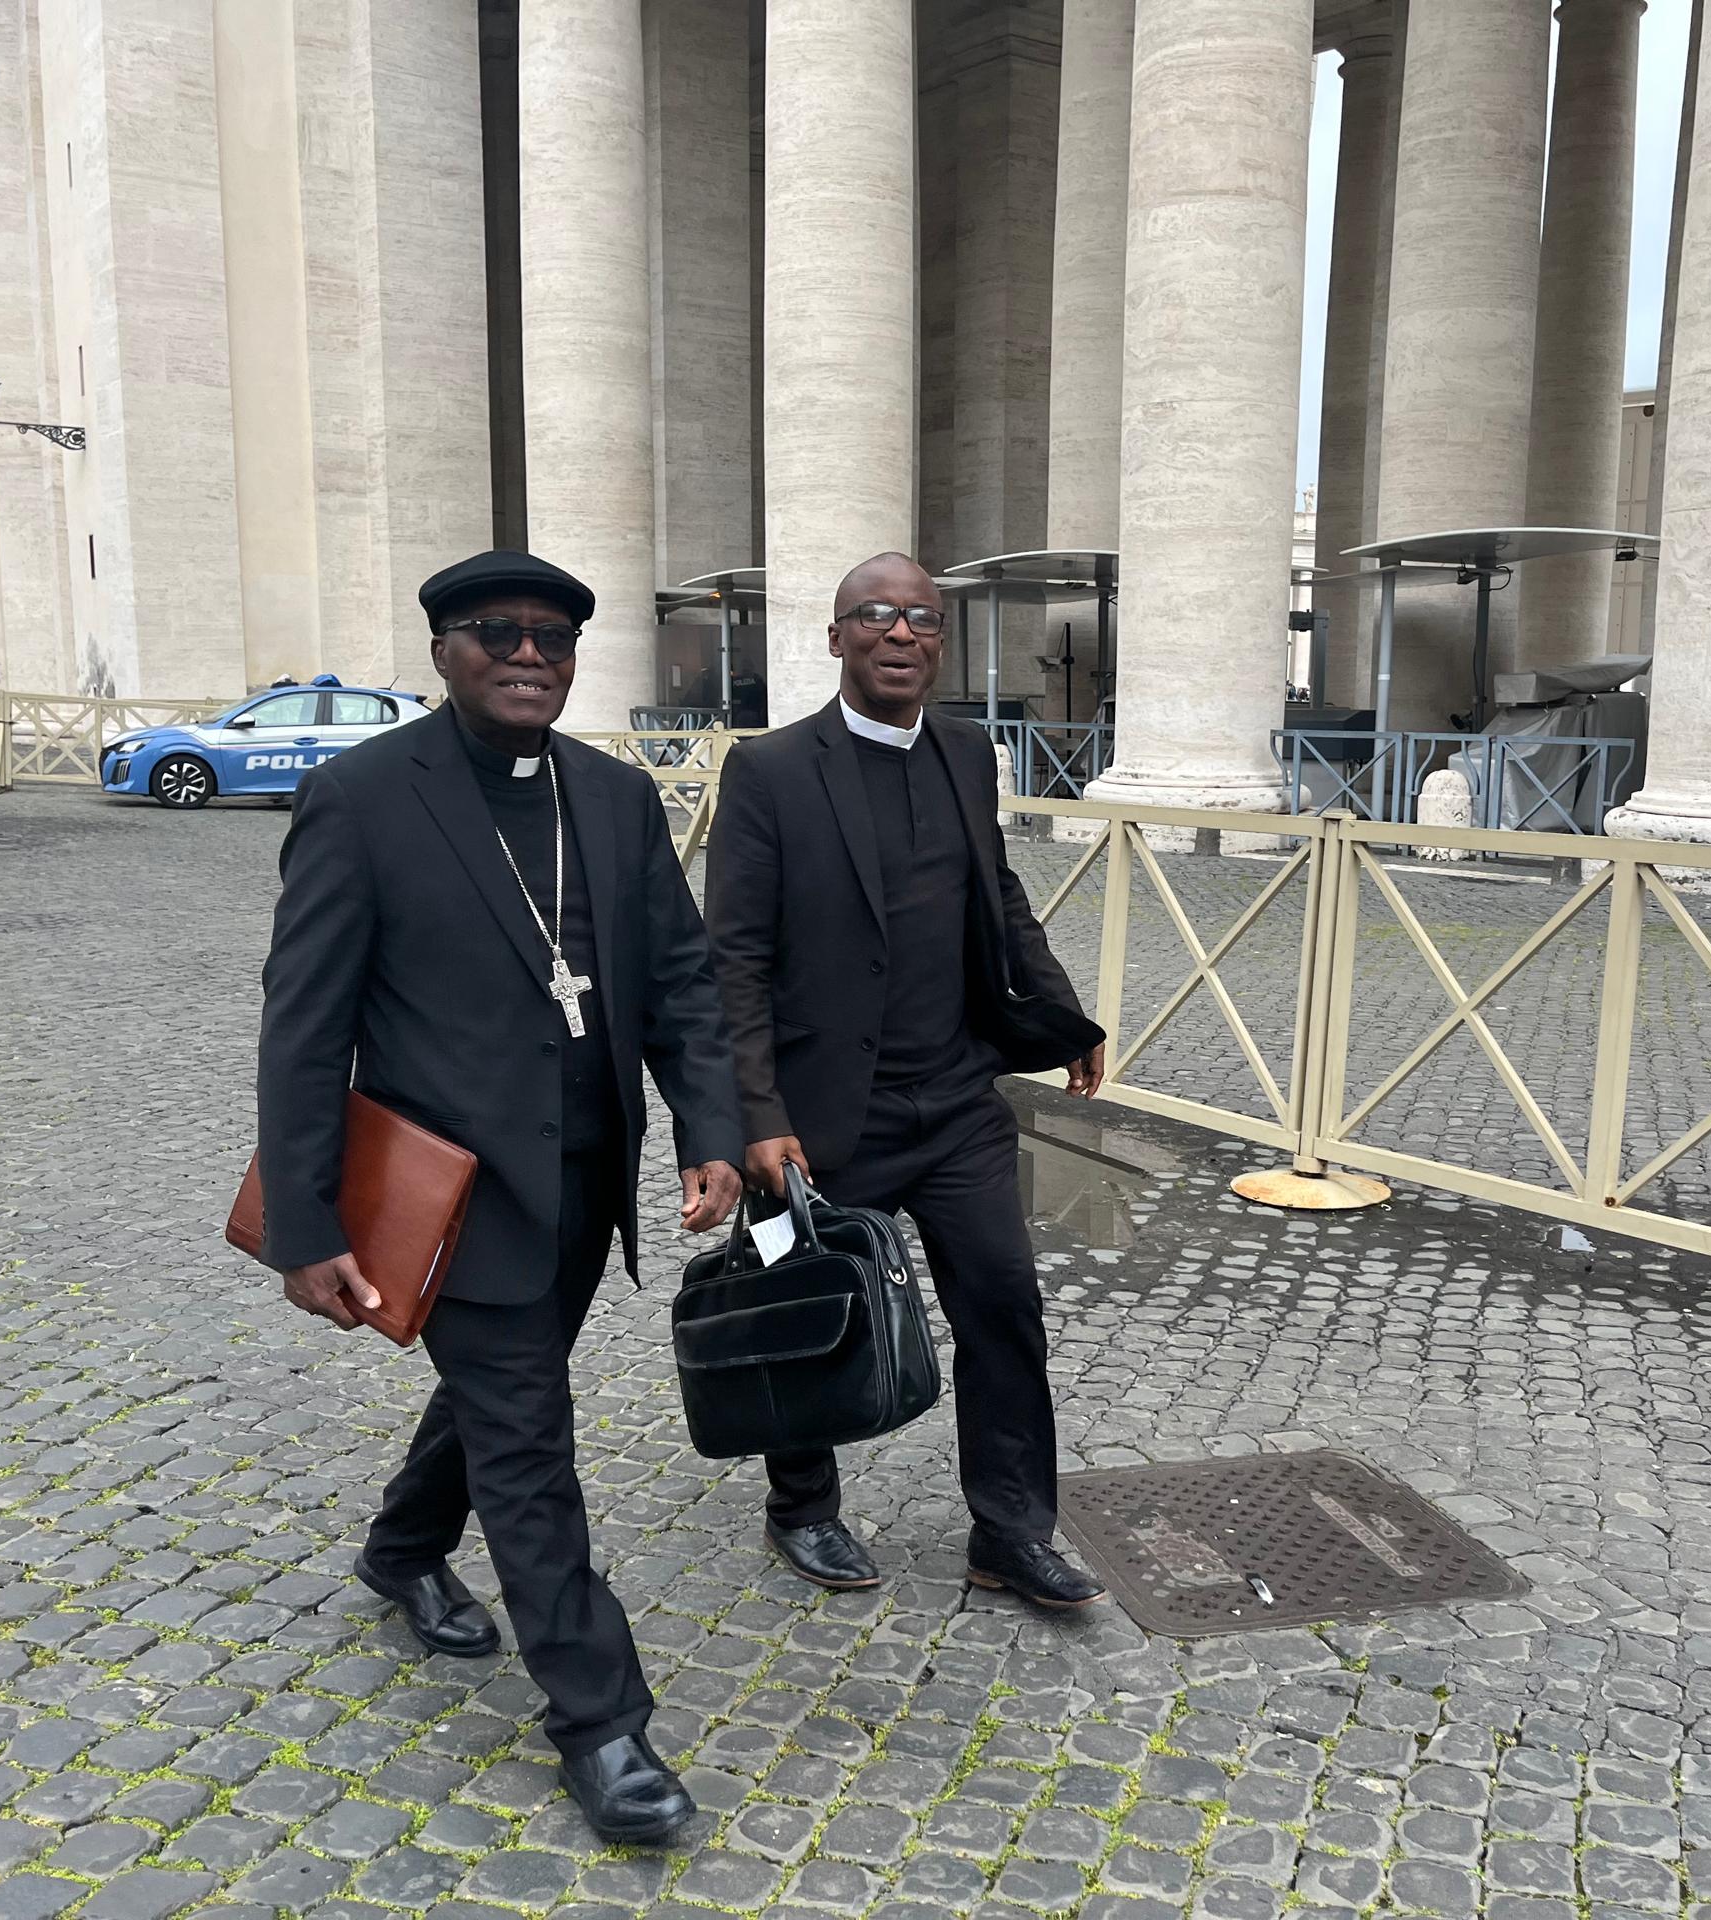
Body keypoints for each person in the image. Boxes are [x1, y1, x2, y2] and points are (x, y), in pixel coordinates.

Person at [255, 549, 744, 1844]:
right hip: (453, 1195)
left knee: (499, 1400)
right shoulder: (363, 797)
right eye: (498, 633)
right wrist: (304, 1224)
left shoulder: (614, 799)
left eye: (553, 638)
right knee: (529, 1444)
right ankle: (601, 1723)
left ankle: (402, 1549)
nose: (529, 655)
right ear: (443, 652)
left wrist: (708, 1129)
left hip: (585, 1186)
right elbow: (304, 1027)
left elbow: (682, 981)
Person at [703, 550, 1108, 1610]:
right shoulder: (771, 770)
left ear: (940, 641)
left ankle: (1009, 1530)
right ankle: (801, 1505)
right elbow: (733, 956)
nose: (899, 633)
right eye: (875, 614)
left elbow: (998, 894)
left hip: (956, 1101)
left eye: (921, 619)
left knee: (1004, 1304)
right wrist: (756, 1113)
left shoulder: (968, 754)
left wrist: (1060, 1012)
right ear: (836, 636)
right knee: (804, 1306)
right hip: (817, 1117)